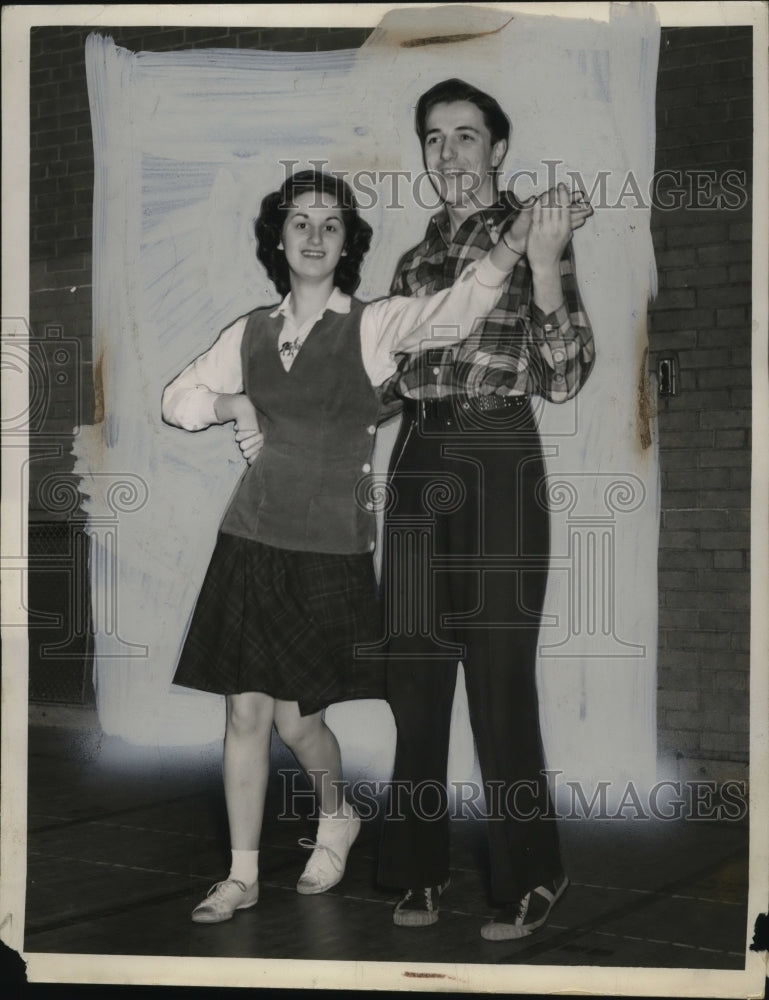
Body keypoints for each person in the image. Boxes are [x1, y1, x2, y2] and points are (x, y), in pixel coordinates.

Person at [161, 168, 531, 924]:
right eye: (300, 221)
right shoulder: (250, 332)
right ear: (278, 237)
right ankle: (241, 875)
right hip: (249, 543)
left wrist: (511, 246)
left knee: (298, 723)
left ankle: (337, 813)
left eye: (331, 224)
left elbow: (455, 311)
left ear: (347, 243)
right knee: (244, 716)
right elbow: (176, 400)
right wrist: (231, 402)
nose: (314, 235)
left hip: (330, 552)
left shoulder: (373, 326)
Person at [376, 79, 596, 940]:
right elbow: (393, 379)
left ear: (496, 149)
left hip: (499, 455)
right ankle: (417, 872)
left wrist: (542, 264)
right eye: (434, 139)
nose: (449, 155)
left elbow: (566, 378)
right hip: (416, 460)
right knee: (415, 677)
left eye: (466, 137)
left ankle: (532, 876)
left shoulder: (540, 234)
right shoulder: (412, 262)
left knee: (499, 677)